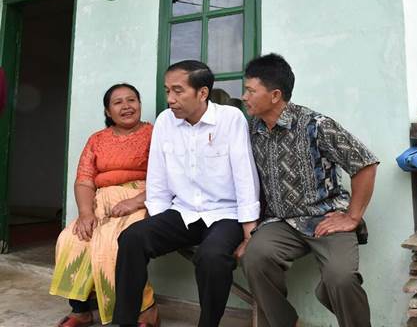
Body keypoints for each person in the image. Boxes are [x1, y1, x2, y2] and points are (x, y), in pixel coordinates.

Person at [112, 60, 260, 327]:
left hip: (225, 214)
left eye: (178, 91)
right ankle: (124, 322)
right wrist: (158, 224)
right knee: (132, 238)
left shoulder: (230, 119)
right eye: (167, 91)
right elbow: (157, 179)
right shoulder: (165, 121)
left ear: (202, 93)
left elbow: (245, 175)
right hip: (183, 212)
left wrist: (249, 229)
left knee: (212, 257)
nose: (170, 99)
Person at [240, 53, 379, 327]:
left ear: (275, 95)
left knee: (340, 277)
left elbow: (365, 163)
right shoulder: (252, 129)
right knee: (254, 258)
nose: (244, 97)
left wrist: (351, 216)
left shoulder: (316, 125)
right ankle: (285, 323)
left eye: (250, 91)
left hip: (325, 218)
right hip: (280, 222)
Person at [49, 83, 156, 327]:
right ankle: (80, 310)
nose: (126, 106)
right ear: (108, 111)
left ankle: (145, 308)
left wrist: (137, 200)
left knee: (116, 243)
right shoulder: (97, 140)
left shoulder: (156, 134)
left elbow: (168, 176)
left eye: (132, 100)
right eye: (118, 102)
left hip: (143, 198)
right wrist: (86, 213)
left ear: (140, 104)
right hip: (101, 202)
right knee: (73, 237)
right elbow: (85, 181)